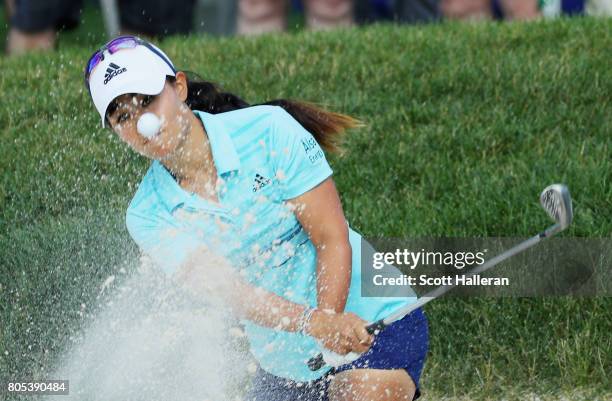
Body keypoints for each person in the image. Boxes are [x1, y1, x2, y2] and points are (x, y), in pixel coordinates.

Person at [83, 35, 429, 400]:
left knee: (357, 393)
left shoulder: (268, 130)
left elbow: (330, 237)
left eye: (147, 101)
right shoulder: (147, 214)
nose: (143, 123)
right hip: (288, 362)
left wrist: (330, 318)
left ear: (179, 87)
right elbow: (230, 292)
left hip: (375, 320)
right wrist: (317, 324)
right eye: (123, 117)